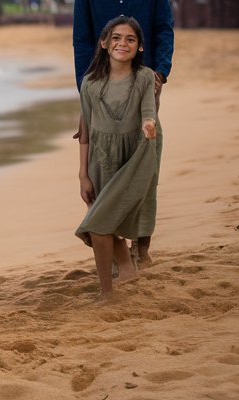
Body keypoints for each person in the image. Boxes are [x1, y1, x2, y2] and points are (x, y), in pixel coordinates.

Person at [72, 0, 173, 266]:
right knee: (106, 166)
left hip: (145, 85)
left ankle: (142, 245)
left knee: (145, 164)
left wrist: (160, 72)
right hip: (100, 86)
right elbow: (82, 39)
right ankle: (113, 243)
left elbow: (163, 28)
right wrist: (87, 92)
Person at [75, 15, 160, 299]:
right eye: (116, 38)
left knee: (99, 223)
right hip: (101, 156)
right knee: (105, 214)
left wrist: (148, 125)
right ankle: (125, 268)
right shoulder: (89, 83)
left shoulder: (145, 78)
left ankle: (106, 293)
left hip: (136, 153)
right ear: (103, 43)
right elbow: (85, 130)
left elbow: (149, 111)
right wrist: (83, 173)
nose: (122, 43)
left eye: (130, 39)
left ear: (140, 48)